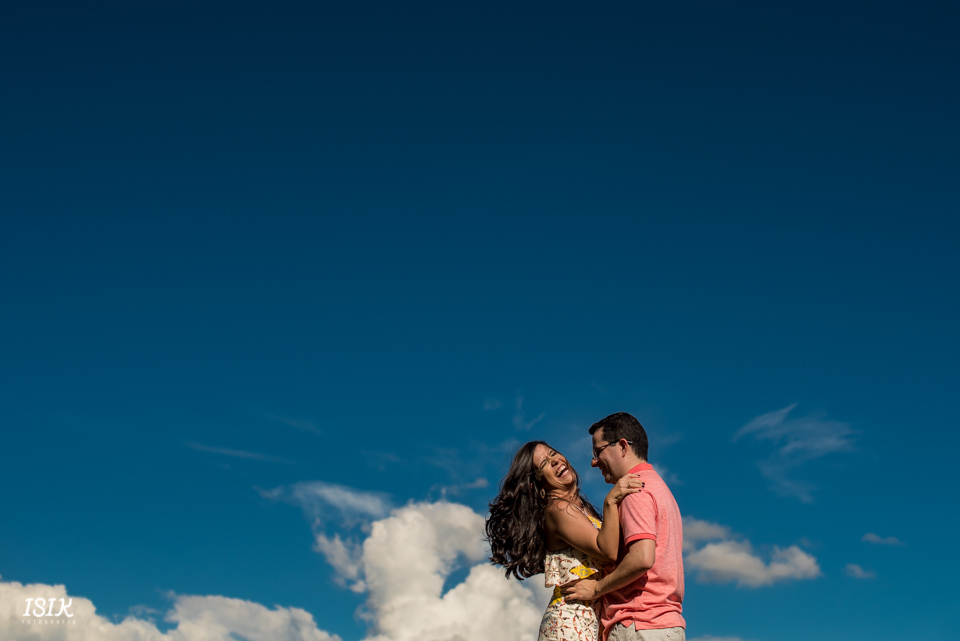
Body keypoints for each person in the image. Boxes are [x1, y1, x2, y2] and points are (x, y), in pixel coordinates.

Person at [485, 440, 644, 641]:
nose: (554, 461)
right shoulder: (558, 510)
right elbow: (607, 550)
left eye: (553, 454)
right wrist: (610, 501)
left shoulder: (581, 508)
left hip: (590, 621)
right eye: (544, 464)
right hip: (568, 622)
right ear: (538, 484)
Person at [563, 412, 685, 641]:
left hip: (639, 623)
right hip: (663, 625)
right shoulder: (659, 488)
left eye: (597, 451)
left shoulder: (633, 490)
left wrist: (596, 589)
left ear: (621, 446)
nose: (593, 461)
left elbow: (642, 558)